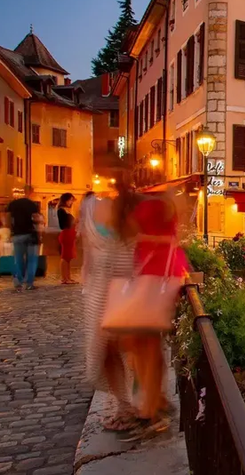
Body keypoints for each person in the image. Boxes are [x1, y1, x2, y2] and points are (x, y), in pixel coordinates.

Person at [125, 189, 188, 438]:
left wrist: (141, 236)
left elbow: (133, 235)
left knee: (145, 344)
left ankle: (151, 411)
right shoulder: (165, 205)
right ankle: (156, 402)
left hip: (154, 279)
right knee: (150, 343)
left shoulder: (145, 208)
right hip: (168, 276)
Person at [80, 184, 137, 433]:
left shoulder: (124, 209)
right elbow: (88, 254)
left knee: (118, 350)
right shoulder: (92, 209)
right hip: (107, 292)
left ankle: (130, 406)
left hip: (120, 290)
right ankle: (127, 405)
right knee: (111, 351)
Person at [7, 186, 42, 291]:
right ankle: (29, 283)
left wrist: (10, 231)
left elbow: (8, 218)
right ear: (31, 192)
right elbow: (36, 219)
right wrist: (39, 234)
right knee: (31, 260)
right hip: (30, 235)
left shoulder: (13, 204)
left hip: (17, 235)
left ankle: (18, 282)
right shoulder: (33, 205)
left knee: (18, 259)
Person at [59, 214, 78, 284]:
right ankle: (65, 278)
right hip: (67, 237)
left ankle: (67, 277)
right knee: (65, 258)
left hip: (68, 237)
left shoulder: (69, 229)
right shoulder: (67, 230)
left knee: (68, 258)